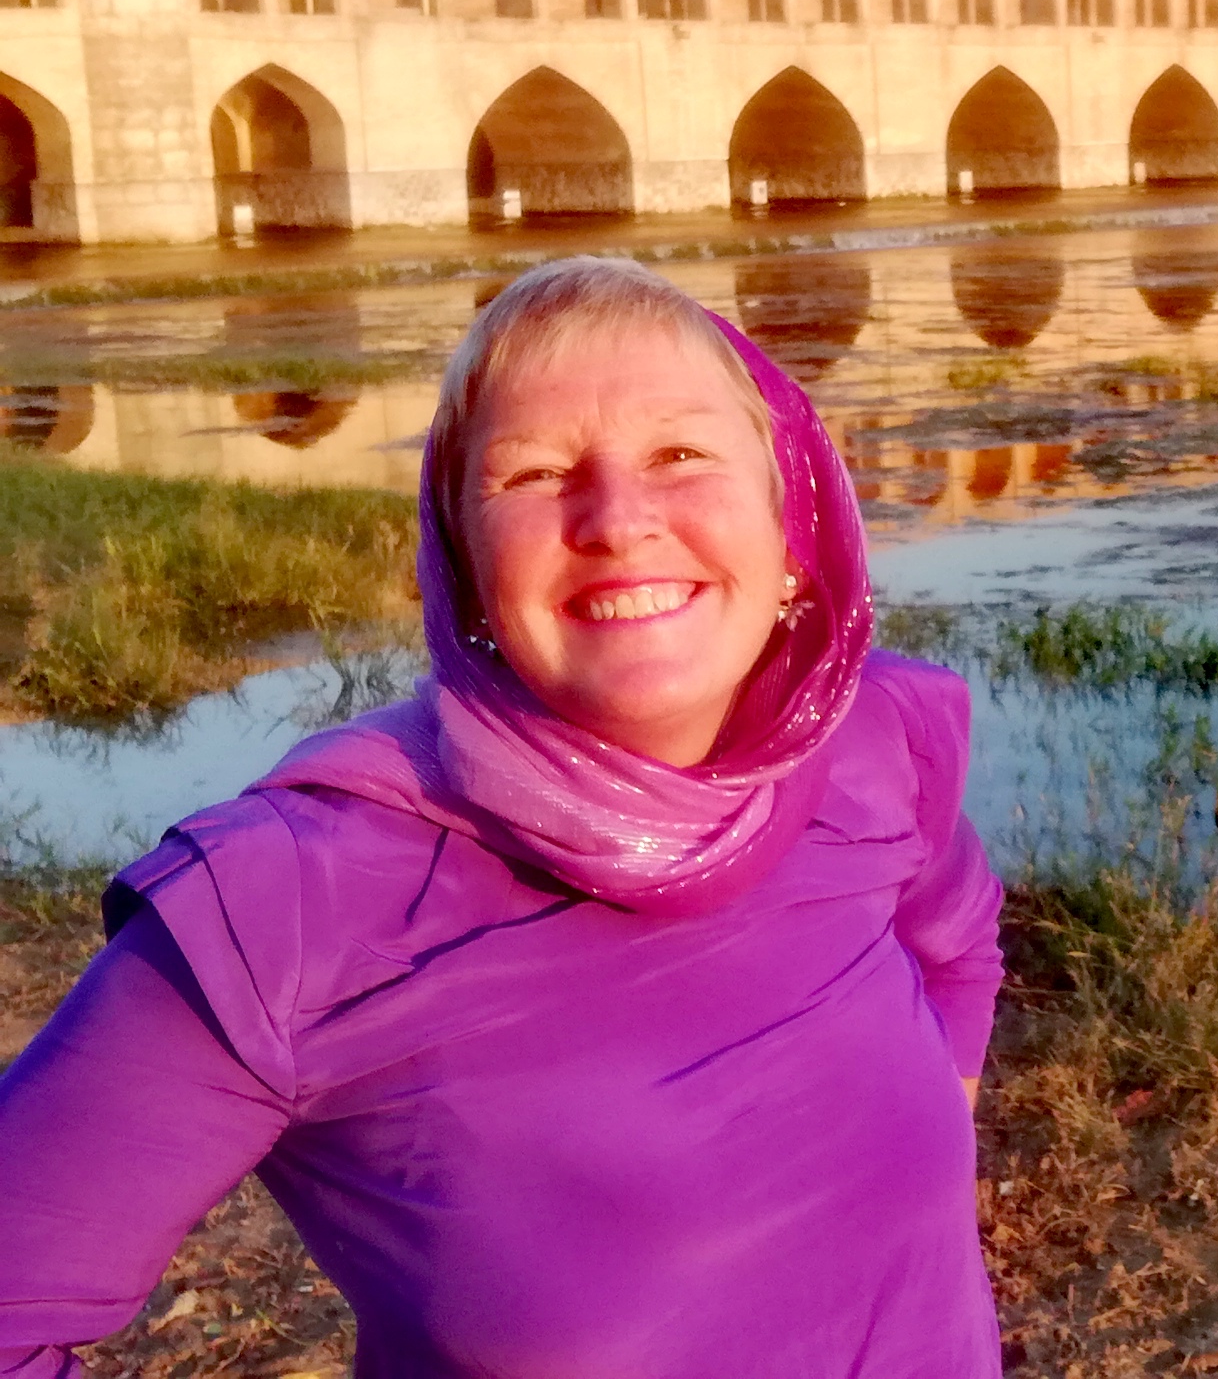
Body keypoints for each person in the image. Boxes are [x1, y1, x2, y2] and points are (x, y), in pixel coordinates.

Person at [0, 256, 1004, 1377]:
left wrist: (925, 1136)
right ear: (467, 573)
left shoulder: (869, 745)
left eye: (682, 454)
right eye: (533, 474)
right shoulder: (291, 903)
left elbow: (959, 944)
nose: (620, 520)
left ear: (791, 533)